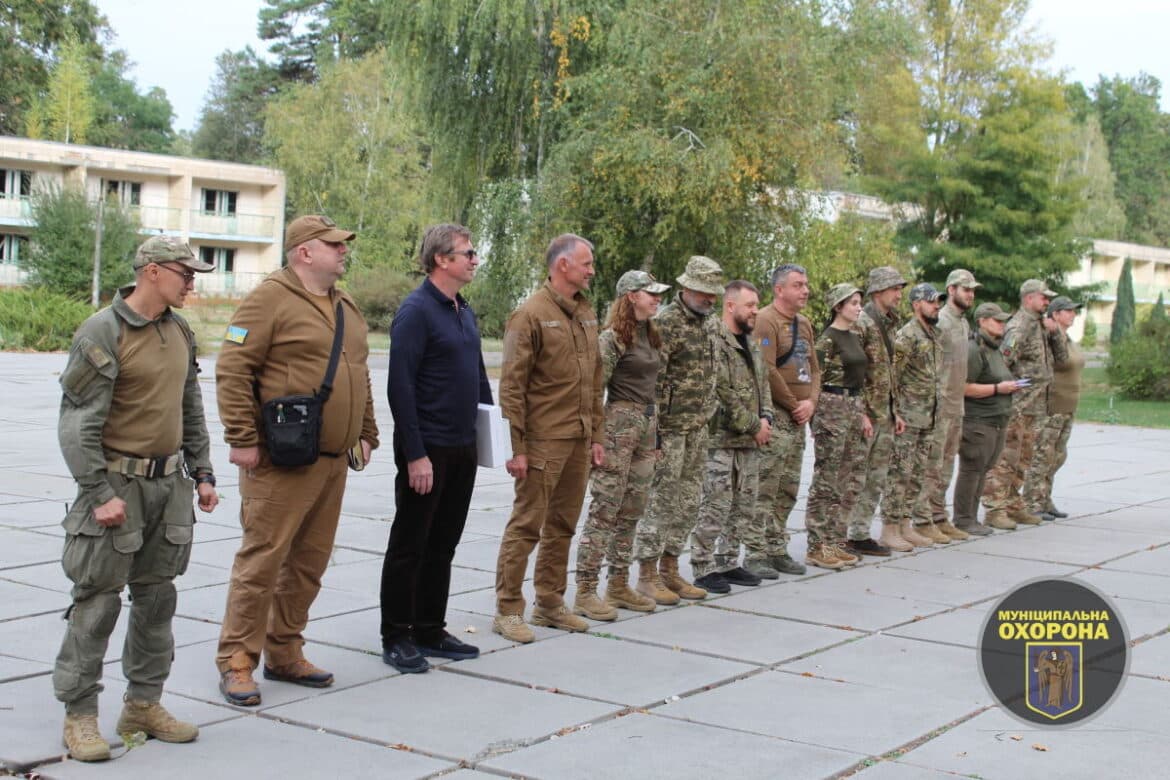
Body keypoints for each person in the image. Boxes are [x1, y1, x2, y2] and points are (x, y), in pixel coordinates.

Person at [54, 235, 218, 762]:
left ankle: (143, 705)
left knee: (157, 600)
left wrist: (204, 471)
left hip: (169, 488)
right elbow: (77, 425)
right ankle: (80, 714)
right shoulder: (104, 331)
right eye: (183, 273)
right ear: (150, 271)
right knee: (97, 603)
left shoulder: (179, 330)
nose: (191, 282)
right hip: (116, 487)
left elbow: (189, 405)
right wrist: (97, 492)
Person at [215, 215, 379, 705]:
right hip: (281, 458)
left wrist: (366, 431)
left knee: (308, 563)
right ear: (304, 252)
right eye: (334, 245)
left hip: (331, 459)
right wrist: (242, 437)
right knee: (262, 561)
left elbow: (359, 372)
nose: (343, 251)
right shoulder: (270, 298)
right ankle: (237, 661)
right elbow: (232, 367)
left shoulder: (345, 304)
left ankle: (284, 650)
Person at [379, 224, 493, 673]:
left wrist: (489, 438)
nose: (474, 259)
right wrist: (415, 454)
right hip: (427, 450)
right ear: (441, 259)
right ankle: (397, 634)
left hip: (462, 447)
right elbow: (400, 388)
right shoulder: (416, 311)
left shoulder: (463, 309)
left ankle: (429, 626)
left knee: (443, 542)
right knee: (411, 543)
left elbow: (479, 377)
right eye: (467, 253)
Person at [493, 234, 606, 643]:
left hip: (577, 440)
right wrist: (515, 448)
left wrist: (596, 434)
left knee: (562, 525)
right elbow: (512, 388)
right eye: (586, 263)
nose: (592, 269)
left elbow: (595, 382)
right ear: (563, 266)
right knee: (527, 526)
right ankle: (508, 609)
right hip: (542, 441)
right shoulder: (529, 315)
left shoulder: (586, 313)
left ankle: (550, 603)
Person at [573, 270, 670, 621]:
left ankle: (618, 582)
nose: (657, 299)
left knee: (633, 508)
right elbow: (594, 389)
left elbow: (655, 388)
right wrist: (595, 437)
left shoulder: (651, 336)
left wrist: (656, 437)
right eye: (650, 293)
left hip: (645, 425)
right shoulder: (613, 338)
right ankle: (585, 588)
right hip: (618, 425)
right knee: (606, 507)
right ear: (631, 296)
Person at [632, 256, 724, 603]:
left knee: (687, 503)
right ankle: (647, 574)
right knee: (661, 501)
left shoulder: (712, 324)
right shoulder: (665, 323)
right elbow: (652, 382)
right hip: (668, 430)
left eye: (714, 293)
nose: (711, 299)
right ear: (687, 288)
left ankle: (671, 570)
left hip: (698, 428)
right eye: (704, 292)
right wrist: (652, 433)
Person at [690, 281, 773, 592]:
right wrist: (754, 425)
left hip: (750, 441)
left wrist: (767, 418)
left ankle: (728, 560)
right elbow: (722, 391)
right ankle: (703, 564)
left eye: (756, 305)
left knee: (744, 505)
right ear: (730, 306)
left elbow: (763, 383)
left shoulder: (751, 342)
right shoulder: (715, 339)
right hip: (722, 439)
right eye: (750, 305)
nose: (755, 311)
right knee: (715, 503)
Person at [982, 279, 1066, 528]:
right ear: (1029, 298)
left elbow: (1060, 359)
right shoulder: (1018, 327)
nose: (1047, 302)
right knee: (1005, 460)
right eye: (1043, 297)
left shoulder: (1040, 326)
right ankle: (994, 509)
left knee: (1023, 460)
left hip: (1035, 407)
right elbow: (1002, 364)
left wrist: (1055, 332)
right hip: (1017, 407)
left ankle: (1013, 504)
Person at [754, 264, 819, 576]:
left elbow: (815, 369)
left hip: (799, 417)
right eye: (798, 285)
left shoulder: (803, 323)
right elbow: (766, 369)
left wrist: (811, 402)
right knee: (765, 486)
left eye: (806, 284)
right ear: (779, 290)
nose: (805, 290)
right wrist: (795, 404)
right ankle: (755, 554)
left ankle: (776, 547)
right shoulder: (765, 321)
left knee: (789, 487)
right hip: (779, 415)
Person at [844, 267, 909, 556]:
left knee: (876, 477)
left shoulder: (890, 322)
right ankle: (837, 535)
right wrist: (860, 412)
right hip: (866, 413)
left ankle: (859, 532)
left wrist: (896, 410)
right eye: (895, 288)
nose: (899, 294)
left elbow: (889, 371)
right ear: (879, 290)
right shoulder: (862, 322)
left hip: (885, 412)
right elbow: (851, 370)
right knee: (854, 476)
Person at [803, 284, 868, 570]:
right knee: (826, 479)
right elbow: (813, 378)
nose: (858, 307)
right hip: (832, 407)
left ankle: (833, 542)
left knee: (845, 477)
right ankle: (817, 545)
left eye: (859, 303)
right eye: (852, 303)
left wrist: (862, 412)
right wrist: (817, 415)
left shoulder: (855, 336)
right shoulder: (827, 340)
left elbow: (860, 379)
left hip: (853, 407)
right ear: (838, 307)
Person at [883, 283, 946, 547]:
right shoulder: (906, 336)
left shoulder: (934, 334)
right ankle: (889, 529)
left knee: (917, 474)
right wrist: (894, 411)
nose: (937, 306)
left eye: (938, 302)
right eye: (932, 301)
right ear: (917, 304)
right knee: (900, 474)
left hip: (928, 417)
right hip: (907, 418)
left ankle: (905, 524)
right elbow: (892, 376)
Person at [923, 269, 981, 542]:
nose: (970, 293)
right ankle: (923, 520)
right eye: (965, 288)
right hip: (939, 406)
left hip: (957, 405)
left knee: (946, 467)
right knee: (932, 466)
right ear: (951, 290)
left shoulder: (963, 323)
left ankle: (938, 516)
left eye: (972, 289)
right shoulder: (940, 321)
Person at [954, 303, 1023, 534]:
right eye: (997, 321)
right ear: (982, 321)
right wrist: (997, 389)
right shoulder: (974, 349)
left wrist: (1010, 387)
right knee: (972, 469)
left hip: (997, 420)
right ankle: (964, 519)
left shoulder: (994, 349)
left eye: (1004, 321)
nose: (1002, 325)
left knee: (984, 469)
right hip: (978, 421)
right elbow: (963, 387)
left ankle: (972, 517)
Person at [1023, 296, 1084, 519]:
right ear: (1055, 314)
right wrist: (1053, 331)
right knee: (1042, 455)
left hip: (1068, 405)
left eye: (1073, 310)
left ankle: (1045, 498)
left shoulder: (1068, 339)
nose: (1072, 314)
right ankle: (1031, 501)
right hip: (1052, 405)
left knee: (1058, 455)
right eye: (1067, 311)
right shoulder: (1050, 338)